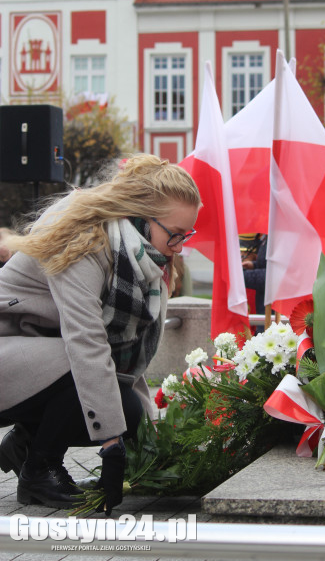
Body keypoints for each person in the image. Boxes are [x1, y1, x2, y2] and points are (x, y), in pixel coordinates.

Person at [0, 154, 201, 513]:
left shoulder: (139, 258)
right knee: (91, 374)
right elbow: (87, 341)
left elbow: (128, 359)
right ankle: (40, 468)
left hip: (37, 358)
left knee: (129, 411)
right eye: (175, 235)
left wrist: (148, 443)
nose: (179, 247)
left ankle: (25, 442)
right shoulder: (85, 237)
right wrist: (111, 446)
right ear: (142, 215)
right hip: (9, 353)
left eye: (187, 236)